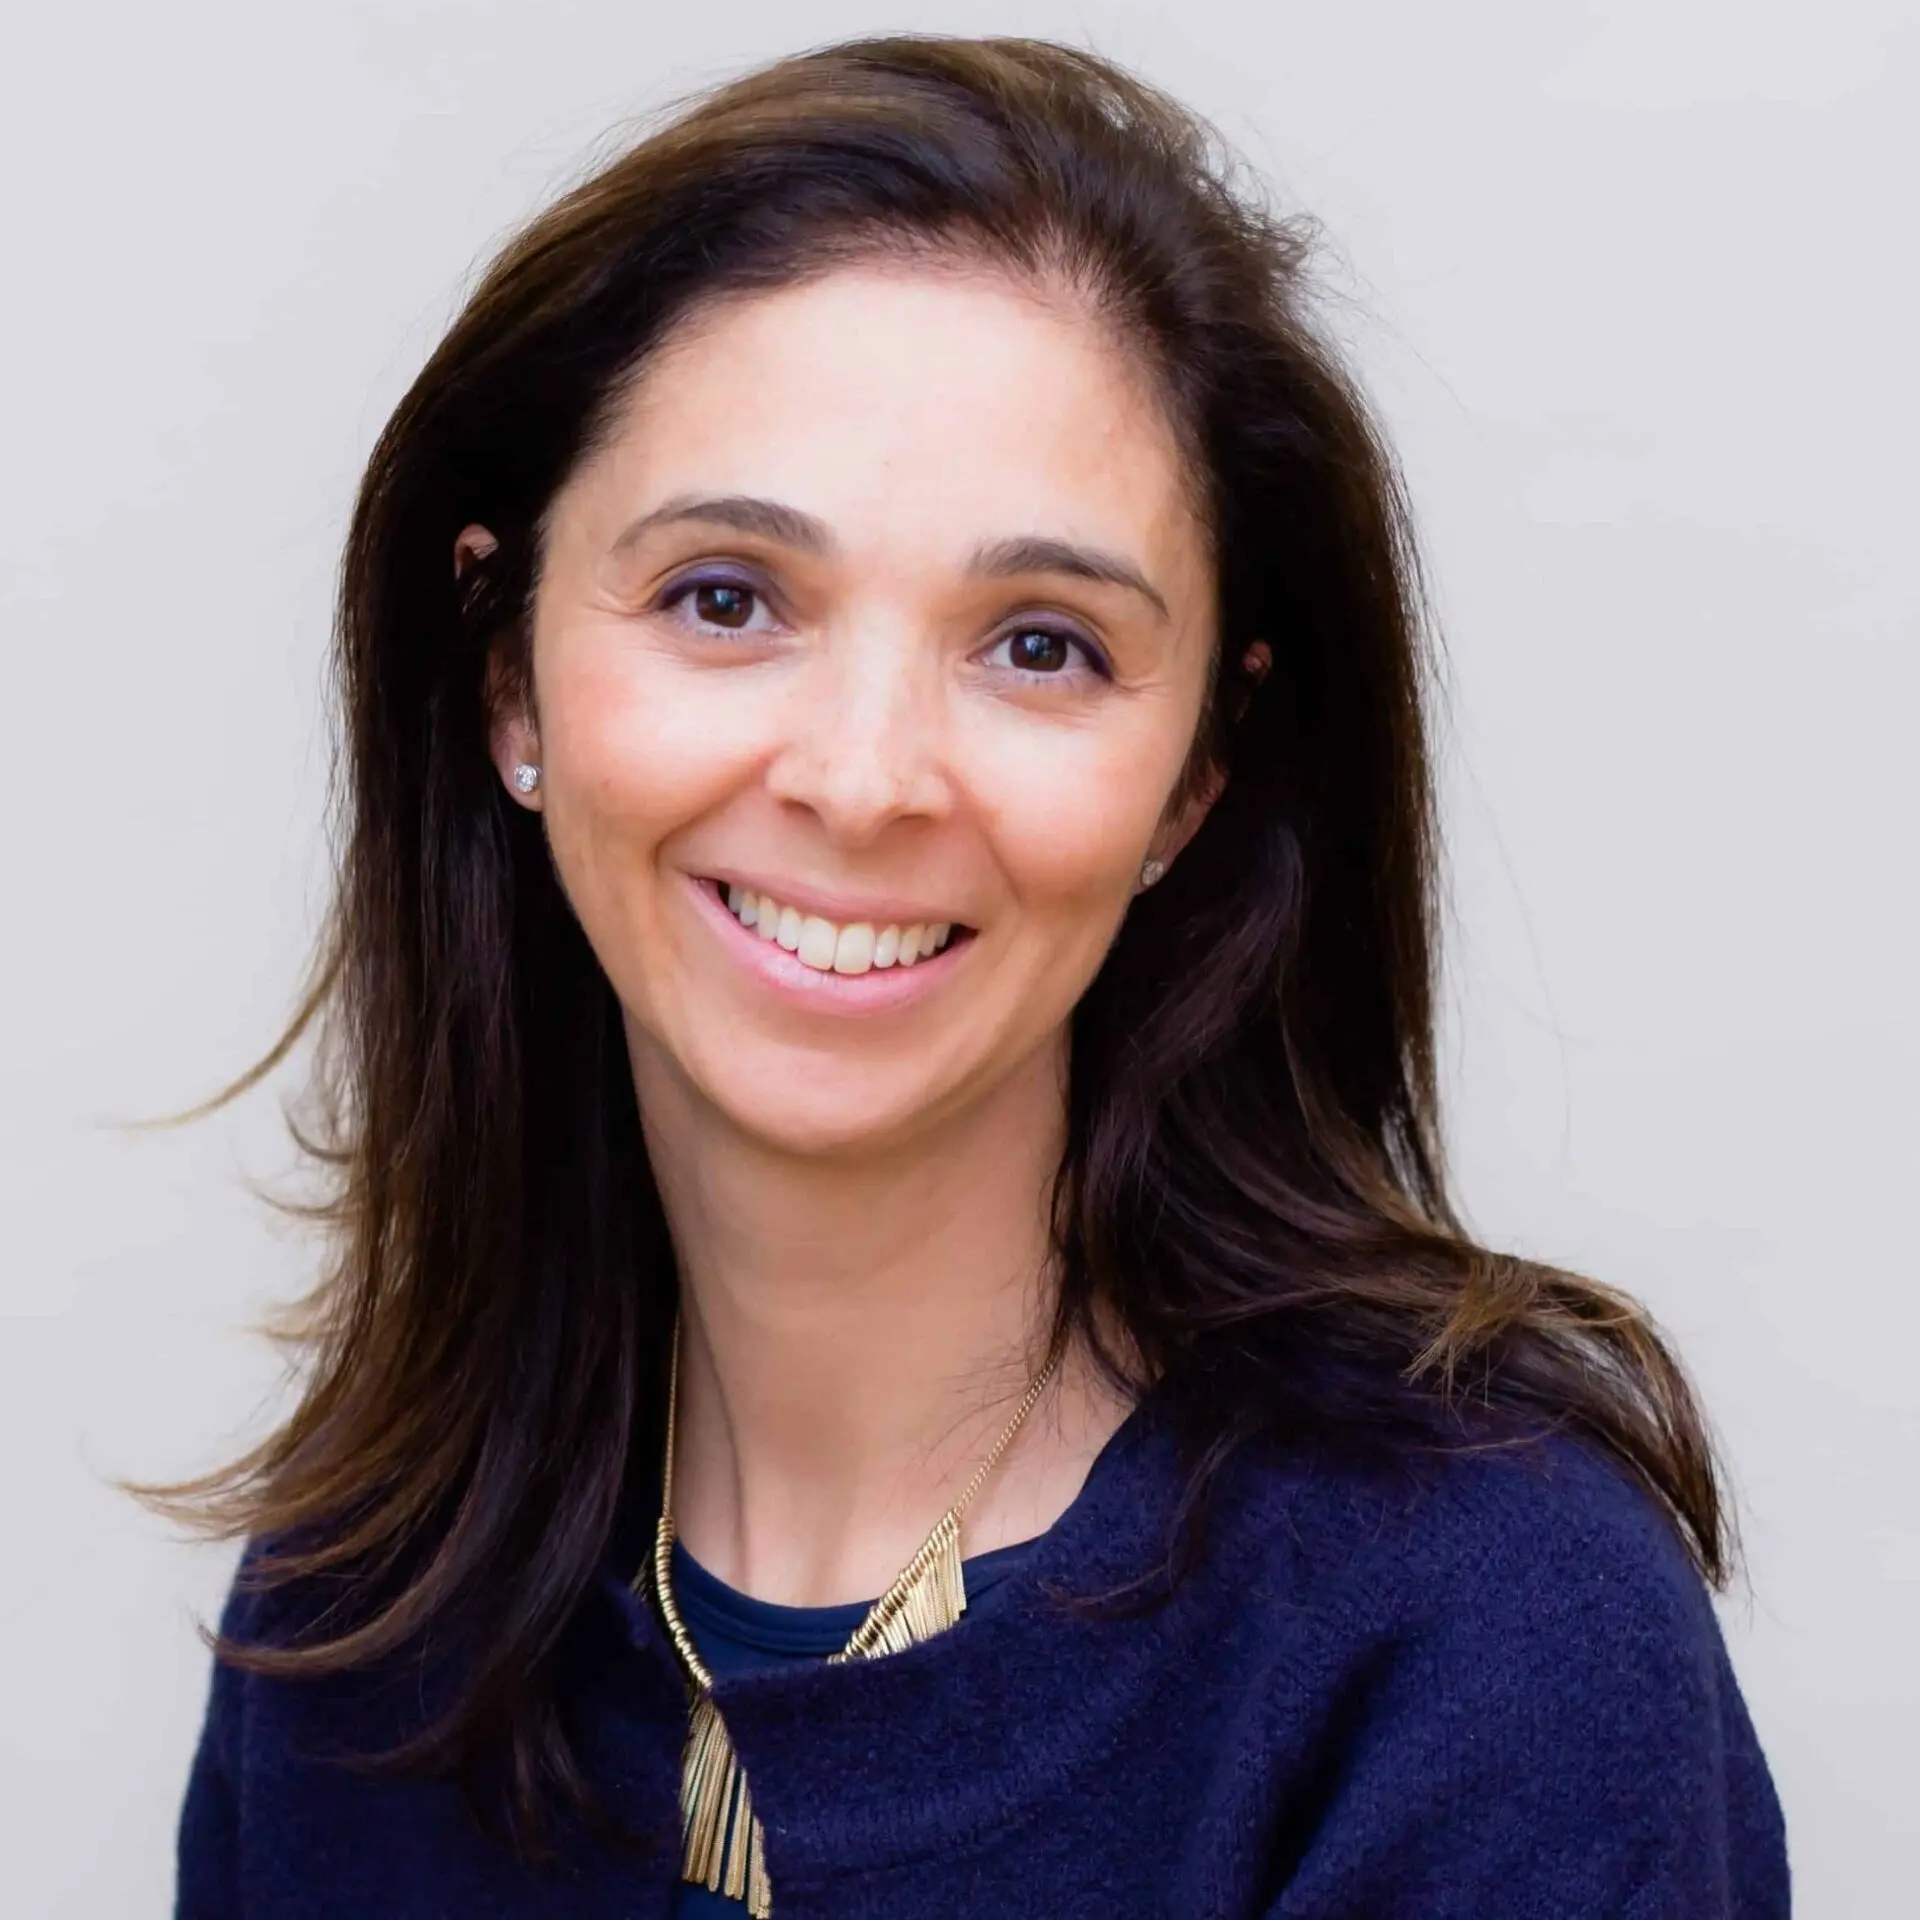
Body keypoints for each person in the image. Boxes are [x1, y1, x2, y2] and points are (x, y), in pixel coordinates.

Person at [152, 31, 1790, 1918]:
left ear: (1198, 770)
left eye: (1039, 645)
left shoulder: (1489, 1644)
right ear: (509, 674)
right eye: (724, 599)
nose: (861, 779)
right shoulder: (361, 1607)